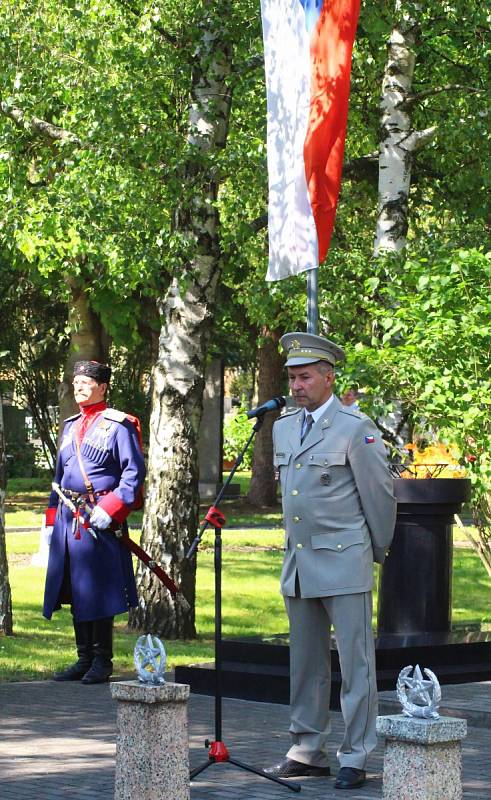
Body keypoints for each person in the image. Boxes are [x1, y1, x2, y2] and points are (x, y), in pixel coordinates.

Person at [265, 333, 396, 790]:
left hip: (344, 560)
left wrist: (373, 553)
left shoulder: (354, 426)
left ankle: (356, 754)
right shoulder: (283, 426)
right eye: (292, 378)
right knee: (305, 664)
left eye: (304, 377)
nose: (296, 386)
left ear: (328, 377)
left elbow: (379, 496)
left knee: (355, 664)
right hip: (299, 564)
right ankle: (307, 748)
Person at [42, 360, 145, 684]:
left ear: (102, 387)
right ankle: (83, 657)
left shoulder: (118, 425)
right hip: (68, 520)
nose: (79, 389)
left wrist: (111, 508)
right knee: (75, 587)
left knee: (98, 590)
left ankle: (102, 660)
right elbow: (59, 478)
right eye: (76, 384)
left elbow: (133, 473)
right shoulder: (70, 426)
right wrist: (49, 523)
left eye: (86, 383)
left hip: (99, 519)